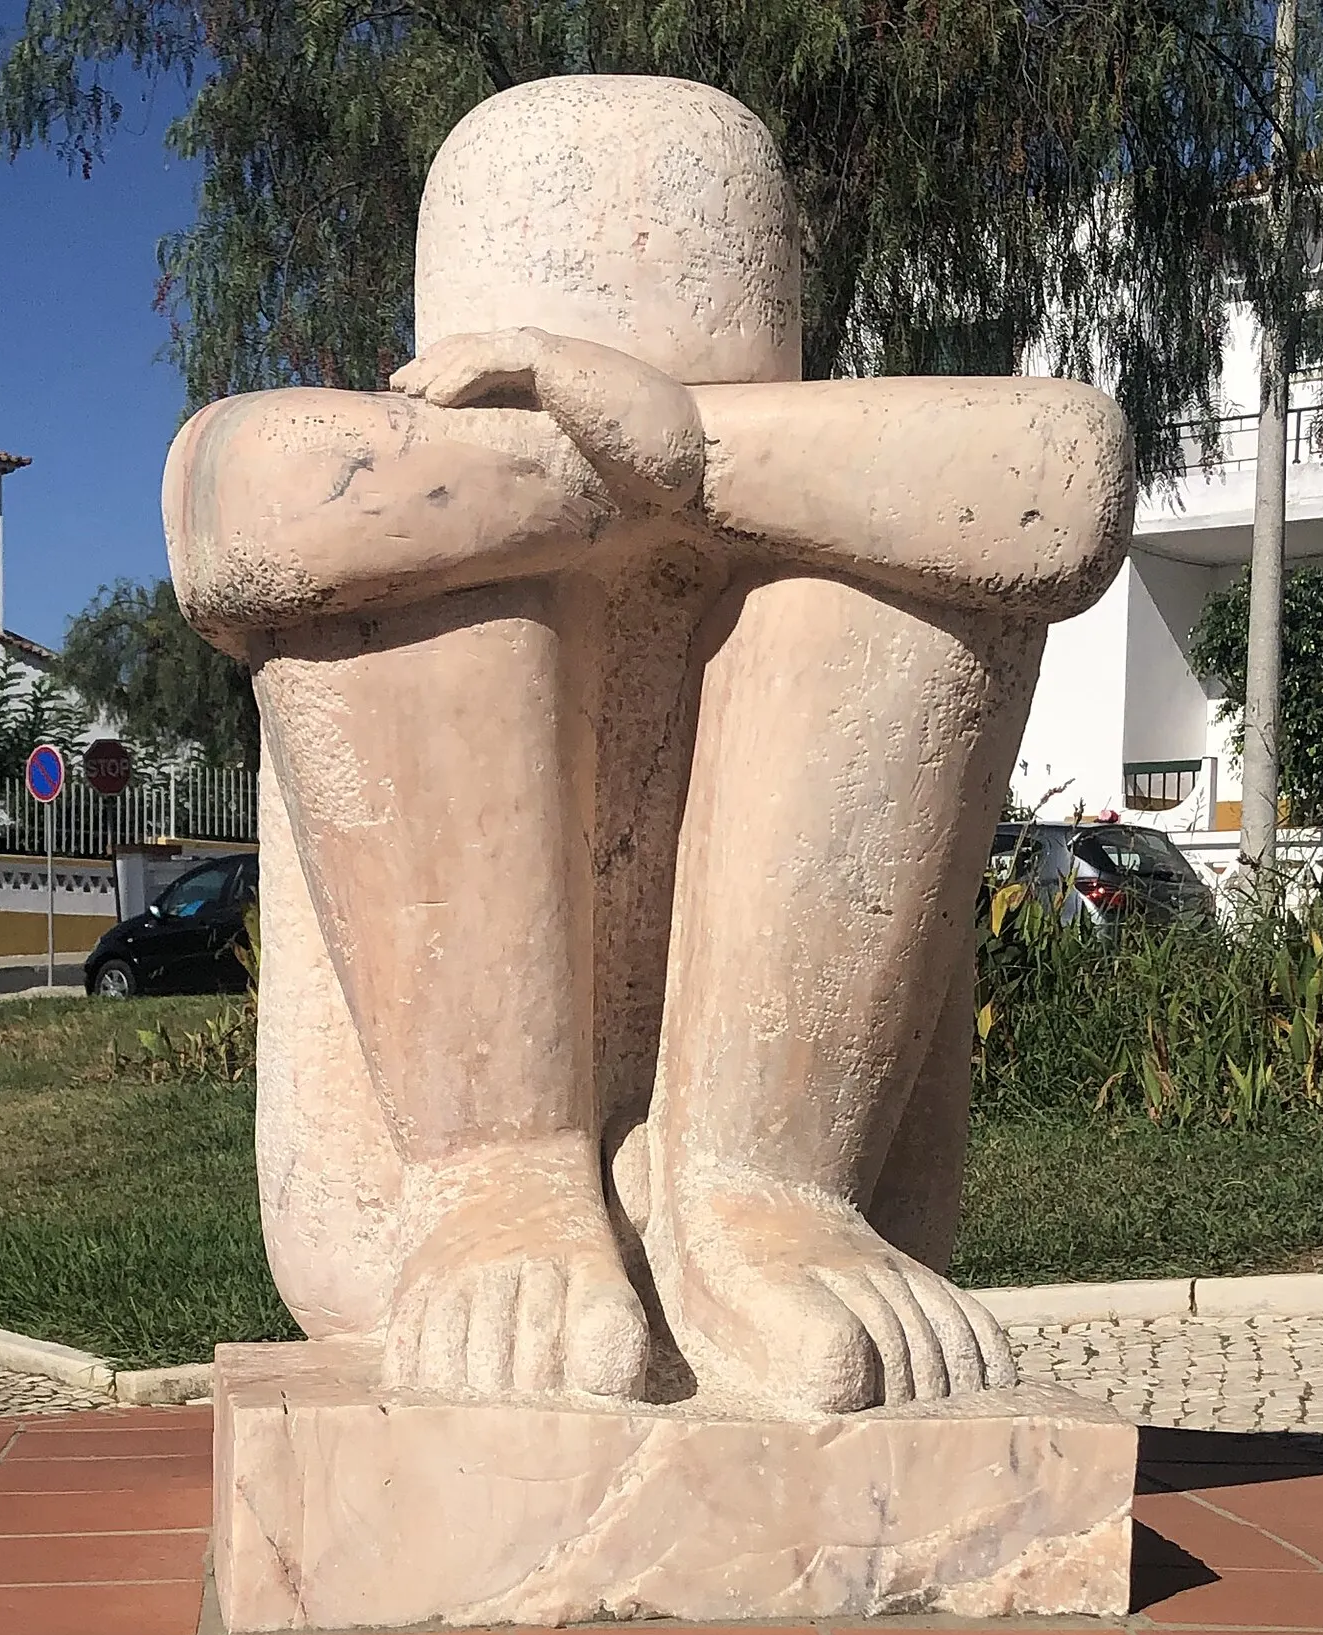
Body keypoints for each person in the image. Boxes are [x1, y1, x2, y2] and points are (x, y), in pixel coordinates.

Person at [165, 77, 1131, 1416]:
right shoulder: (365, 477)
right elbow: (245, 505)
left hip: (819, 1170)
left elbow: (1063, 487)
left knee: (891, 585)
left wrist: (684, 453)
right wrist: (606, 466)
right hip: (417, 1173)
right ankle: (500, 1185)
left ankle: (761, 1196)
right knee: (415, 577)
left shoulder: (782, 488)